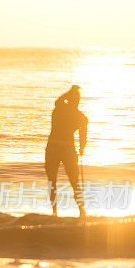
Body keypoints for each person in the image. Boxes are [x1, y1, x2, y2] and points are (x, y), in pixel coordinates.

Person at [45, 85, 87, 218]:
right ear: (77, 101)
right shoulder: (80, 117)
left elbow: (58, 101)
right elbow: (83, 137)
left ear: (68, 99)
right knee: (74, 181)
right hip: (68, 149)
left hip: (53, 148)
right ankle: (81, 210)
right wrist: (81, 149)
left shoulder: (59, 109)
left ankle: (54, 211)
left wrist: (69, 92)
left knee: (52, 181)